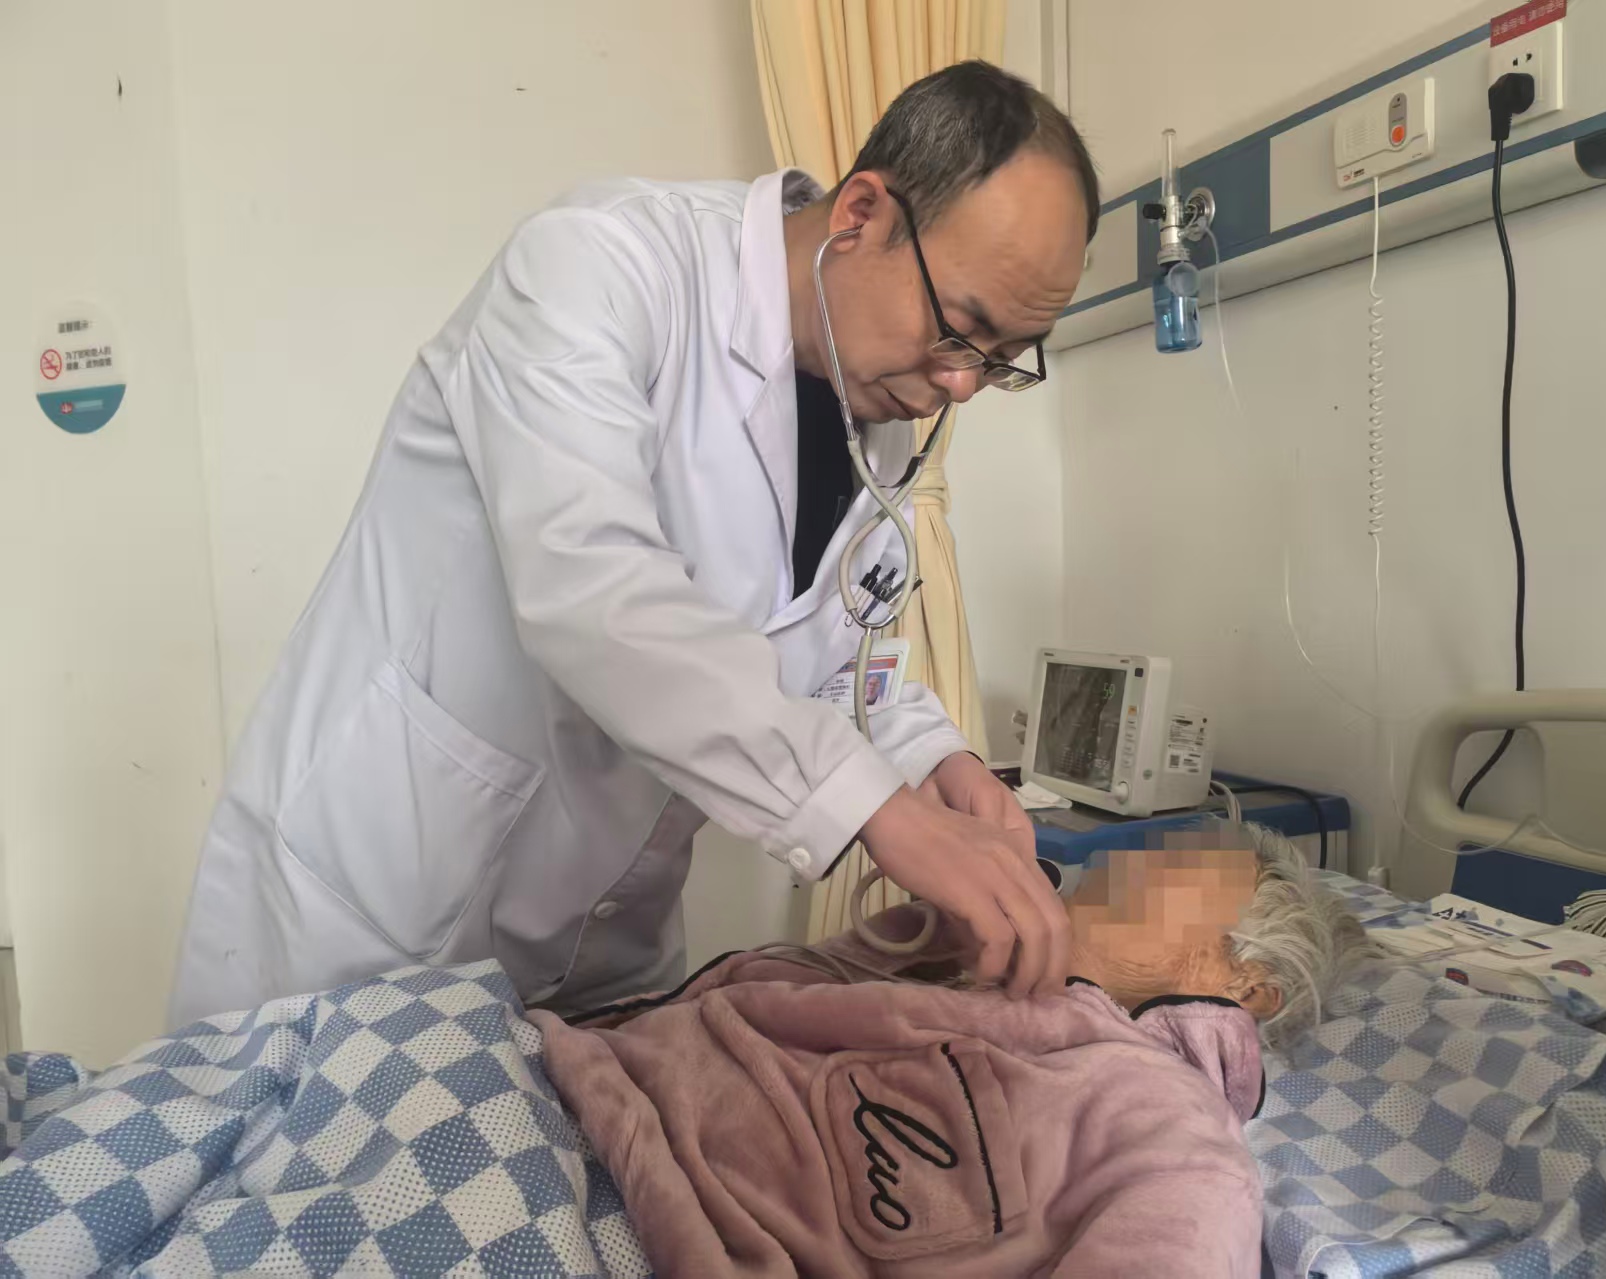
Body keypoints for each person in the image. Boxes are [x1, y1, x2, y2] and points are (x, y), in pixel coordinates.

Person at [168, 61, 1101, 1026]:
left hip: (606, 944)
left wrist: (931, 758)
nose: (961, 385)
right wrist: (873, 810)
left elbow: (821, 652)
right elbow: (598, 592)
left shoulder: (878, 408)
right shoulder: (599, 265)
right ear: (861, 213)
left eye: (1002, 361)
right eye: (962, 329)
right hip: (385, 903)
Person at [527, 824, 1376, 1276]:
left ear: (1242, 981)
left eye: (1173, 870)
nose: (1123, 863)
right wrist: (926, 932)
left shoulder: (1173, 1136)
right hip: (567, 1071)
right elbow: (757, 993)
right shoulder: (969, 975)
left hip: (617, 1214)